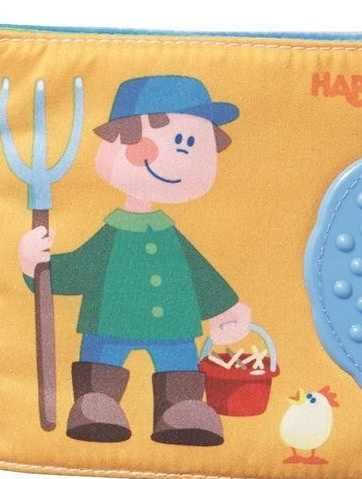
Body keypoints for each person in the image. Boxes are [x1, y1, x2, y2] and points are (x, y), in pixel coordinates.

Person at [18, 75, 252, 445]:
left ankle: (181, 410)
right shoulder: (112, 235)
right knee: (102, 364)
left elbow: (199, 275)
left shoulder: (170, 235)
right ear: (120, 139)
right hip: (110, 319)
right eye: (178, 140)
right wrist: (37, 267)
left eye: (193, 143)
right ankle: (97, 405)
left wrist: (226, 307)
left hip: (173, 325)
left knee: (178, 365)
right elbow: (80, 268)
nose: (183, 154)